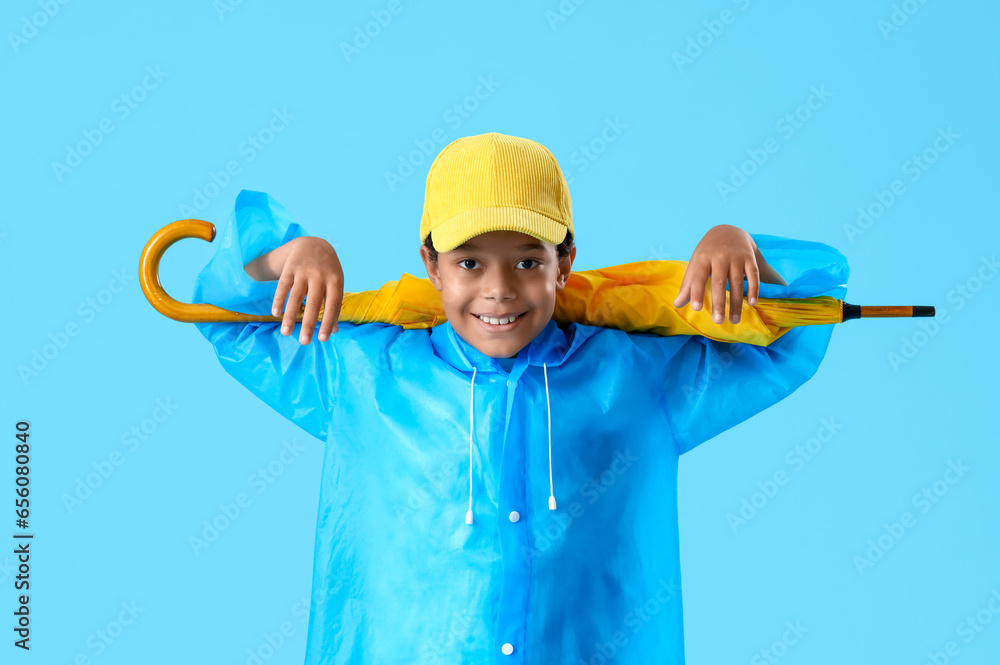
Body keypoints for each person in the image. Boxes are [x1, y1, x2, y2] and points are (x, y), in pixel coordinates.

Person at [192, 132, 849, 665]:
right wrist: (290, 254)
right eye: (469, 261)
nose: (500, 289)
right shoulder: (363, 374)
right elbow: (225, 316)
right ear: (431, 263)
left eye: (528, 261)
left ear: (566, 261)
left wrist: (743, 249)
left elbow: (789, 338)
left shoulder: (639, 377)